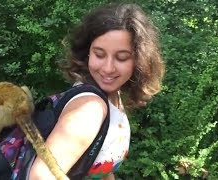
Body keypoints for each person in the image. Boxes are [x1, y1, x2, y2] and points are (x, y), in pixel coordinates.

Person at [29, 3, 165, 180]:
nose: (108, 68)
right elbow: (40, 176)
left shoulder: (112, 96)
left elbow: (102, 169)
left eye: (122, 57)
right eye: (99, 54)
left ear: (139, 60)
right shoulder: (89, 109)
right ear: (87, 53)